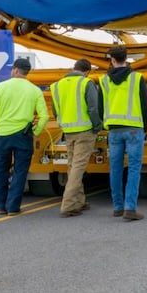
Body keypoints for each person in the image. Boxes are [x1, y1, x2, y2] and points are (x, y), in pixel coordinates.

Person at [0, 57, 49, 216]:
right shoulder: (34, 90)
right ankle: (13, 207)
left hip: (2, 135)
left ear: (15, 70)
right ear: (27, 72)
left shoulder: (1, 87)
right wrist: (35, 131)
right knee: (20, 172)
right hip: (23, 136)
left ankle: (1, 206)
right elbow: (45, 116)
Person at [101, 45, 147, 221]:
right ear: (126, 58)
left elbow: (101, 106)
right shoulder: (137, 78)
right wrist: (145, 126)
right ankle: (130, 208)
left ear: (112, 60)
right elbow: (145, 106)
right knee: (134, 168)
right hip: (134, 128)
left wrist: (104, 123)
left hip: (113, 129)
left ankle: (117, 207)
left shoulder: (104, 80)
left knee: (115, 169)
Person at [50, 58, 103, 217]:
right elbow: (94, 107)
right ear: (87, 71)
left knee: (72, 166)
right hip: (85, 130)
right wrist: (97, 126)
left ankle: (79, 201)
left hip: (68, 131)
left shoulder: (57, 86)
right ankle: (68, 204)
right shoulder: (86, 83)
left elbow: (55, 110)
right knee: (79, 167)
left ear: (74, 68)